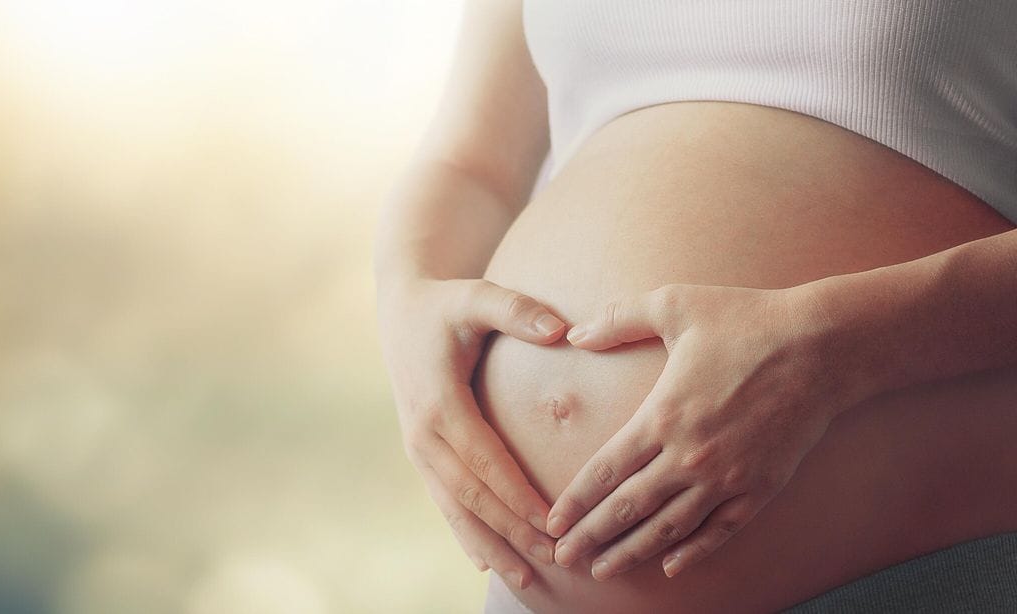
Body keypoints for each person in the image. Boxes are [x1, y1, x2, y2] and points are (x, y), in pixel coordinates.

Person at [373, 1, 1017, 612]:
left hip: (924, 568)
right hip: (530, 581)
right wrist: (406, 301)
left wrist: (839, 348)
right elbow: (470, 163)